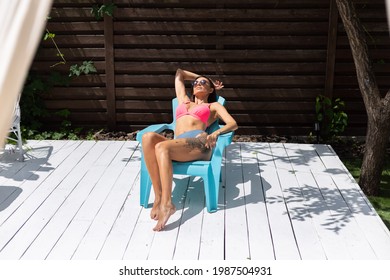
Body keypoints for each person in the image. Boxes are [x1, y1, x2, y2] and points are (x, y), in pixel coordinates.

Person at [141, 68, 238, 231]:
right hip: (178, 145)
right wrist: (205, 77)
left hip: (199, 144)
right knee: (148, 138)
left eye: (203, 83)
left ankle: (167, 204)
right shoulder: (183, 100)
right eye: (196, 83)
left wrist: (216, 132)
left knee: (162, 146)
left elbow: (232, 123)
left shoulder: (212, 106)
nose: (199, 84)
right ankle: (158, 196)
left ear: (210, 90)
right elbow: (179, 73)